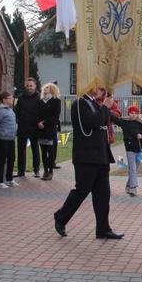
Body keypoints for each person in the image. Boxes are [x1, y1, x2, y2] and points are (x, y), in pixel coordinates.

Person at [53, 86, 124, 240]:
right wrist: (105, 106)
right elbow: (94, 121)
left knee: (103, 194)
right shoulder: (80, 103)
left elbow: (107, 119)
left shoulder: (95, 103)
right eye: (99, 87)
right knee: (82, 191)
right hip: (86, 156)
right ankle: (61, 216)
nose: (102, 90)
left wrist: (132, 124)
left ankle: (103, 228)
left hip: (100, 155)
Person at [108, 104, 142, 196]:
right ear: (128, 114)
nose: (133, 115)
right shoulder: (125, 122)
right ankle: (133, 188)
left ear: (137, 114)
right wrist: (107, 110)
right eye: (131, 113)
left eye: (135, 113)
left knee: (135, 169)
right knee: (132, 168)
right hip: (130, 149)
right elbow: (115, 119)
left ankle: (128, 184)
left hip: (140, 149)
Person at [0, 91, 18, 189]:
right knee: (1, 160)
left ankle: (9, 179)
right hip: (2, 138)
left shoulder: (10, 110)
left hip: (11, 138)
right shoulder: (0, 111)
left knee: (11, 159)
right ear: (4, 100)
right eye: (10, 98)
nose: (12, 99)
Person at [14, 77, 41, 178]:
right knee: (21, 149)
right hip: (23, 127)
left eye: (31, 86)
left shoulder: (39, 98)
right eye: (27, 86)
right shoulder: (21, 98)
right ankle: (21, 170)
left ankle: (36, 169)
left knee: (35, 149)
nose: (29, 88)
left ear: (35, 86)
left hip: (34, 128)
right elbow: (17, 111)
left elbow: (41, 112)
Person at [36, 83, 62, 181]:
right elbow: (37, 113)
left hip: (50, 129)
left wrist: (45, 123)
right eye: (44, 88)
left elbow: (55, 116)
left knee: (50, 151)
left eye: (47, 87)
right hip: (41, 129)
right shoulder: (40, 101)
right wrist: (38, 122)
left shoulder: (56, 101)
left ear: (52, 89)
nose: (45, 89)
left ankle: (50, 170)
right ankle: (45, 170)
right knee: (43, 151)